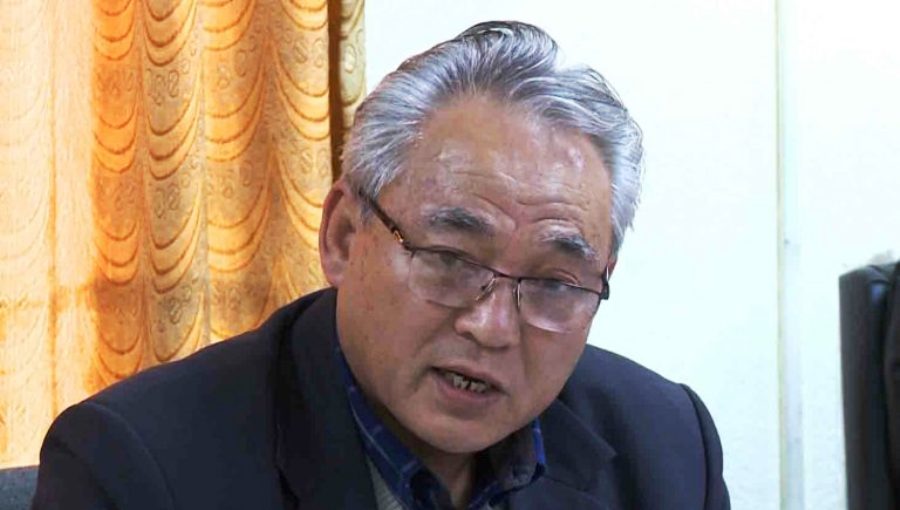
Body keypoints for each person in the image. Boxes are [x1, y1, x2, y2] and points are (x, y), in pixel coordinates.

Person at [32, 20, 730, 510]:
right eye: (450, 259)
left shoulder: (666, 447)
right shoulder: (136, 469)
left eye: (552, 283)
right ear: (342, 235)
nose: (491, 327)